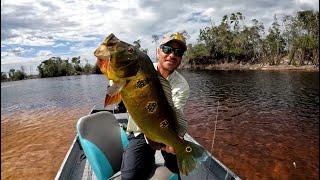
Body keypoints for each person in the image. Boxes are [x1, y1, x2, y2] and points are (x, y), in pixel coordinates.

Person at [121, 32, 190, 180]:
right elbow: (116, 85)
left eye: (178, 52)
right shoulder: (141, 69)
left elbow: (175, 112)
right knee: (130, 177)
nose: (172, 55)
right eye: (167, 49)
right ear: (158, 51)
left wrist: (176, 140)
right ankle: (147, 160)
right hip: (140, 131)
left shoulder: (182, 85)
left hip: (164, 132)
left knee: (177, 170)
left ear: (181, 58)